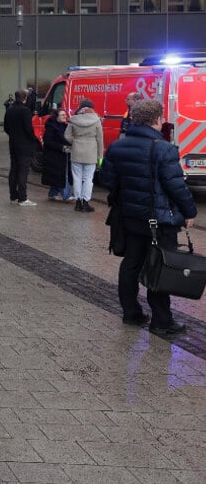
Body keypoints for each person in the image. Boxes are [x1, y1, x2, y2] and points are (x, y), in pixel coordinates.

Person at [96, 99, 197, 334]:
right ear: (157, 120)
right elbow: (176, 187)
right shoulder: (164, 149)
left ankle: (131, 312)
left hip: (130, 217)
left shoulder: (117, 147)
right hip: (159, 221)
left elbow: (107, 181)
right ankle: (161, 321)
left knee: (131, 263)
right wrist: (189, 212)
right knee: (161, 266)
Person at [64, 98, 103, 212]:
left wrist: (75, 142)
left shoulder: (73, 119)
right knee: (88, 179)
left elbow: (66, 135)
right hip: (91, 153)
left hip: (76, 152)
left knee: (77, 178)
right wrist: (100, 156)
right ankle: (85, 202)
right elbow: (100, 140)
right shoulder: (97, 120)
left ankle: (77, 202)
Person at [3, 89, 39, 206]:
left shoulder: (9, 109)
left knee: (13, 169)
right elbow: (28, 129)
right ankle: (22, 198)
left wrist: (14, 135)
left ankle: (13, 195)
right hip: (25, 145)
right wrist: (33, 139)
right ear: (25, 98)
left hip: (13, 143)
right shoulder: (25, 111)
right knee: (23, 171)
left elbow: (6, 127)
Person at [40, 108, 72, 202]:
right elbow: (48, 141)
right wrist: (61, 147)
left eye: (65, 115)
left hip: (62, 155)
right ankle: (66, 195)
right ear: (56, 117)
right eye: (62, 115)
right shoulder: (51, 127)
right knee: (62, 175)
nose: (65, 116)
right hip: (54, 156)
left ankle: (53, 193)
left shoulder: (64, 126)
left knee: (57, 176)